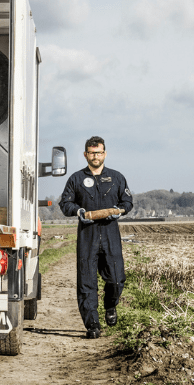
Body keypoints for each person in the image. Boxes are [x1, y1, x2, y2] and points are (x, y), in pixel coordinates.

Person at [59, 136, 133, 339]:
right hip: (87, 235)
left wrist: (121, 211)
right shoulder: (76, 179)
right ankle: (92, 324)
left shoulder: (117, 178)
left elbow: (127, 201)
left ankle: (110, 305)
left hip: (110, 233)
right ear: (85, 155)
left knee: (117, 278)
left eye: (99, 152)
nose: (96, 156)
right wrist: (78, 211)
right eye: (92, 153)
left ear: (105, 154)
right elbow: (65, 204)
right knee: (87, 282)